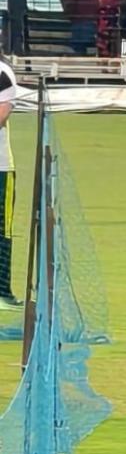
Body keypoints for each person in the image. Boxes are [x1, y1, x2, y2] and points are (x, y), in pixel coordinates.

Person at [0, 57, 22, 309]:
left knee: (1, 232)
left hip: (1, 168)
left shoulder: (3, 73)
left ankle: (2, 292)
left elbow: (1, 115)